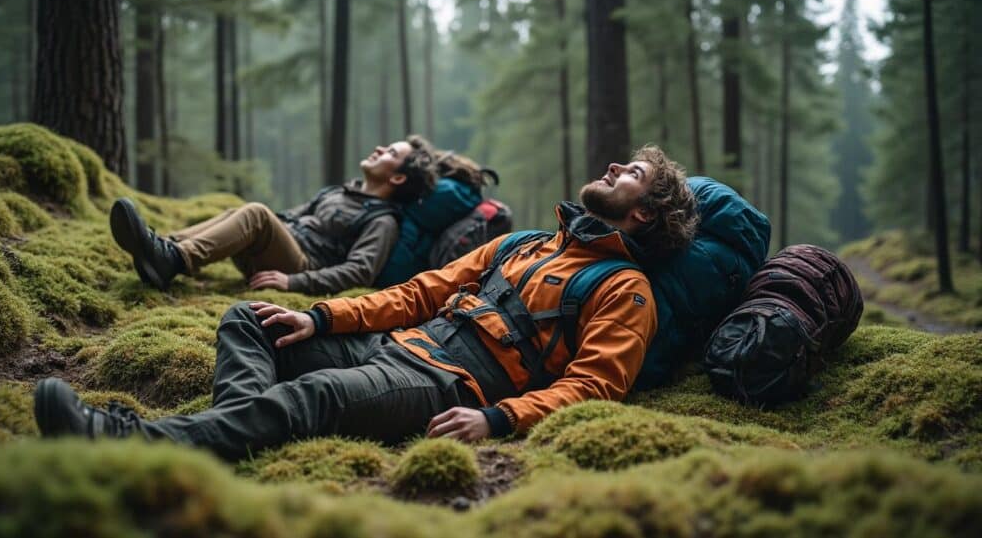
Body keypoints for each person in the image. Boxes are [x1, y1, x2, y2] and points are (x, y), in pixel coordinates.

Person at [34, 146, 698, 460]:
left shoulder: (624, 289)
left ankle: (124, 442)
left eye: (632, 173)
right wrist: (318, 316)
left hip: (447, 385)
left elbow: (595, 387)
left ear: (644, 212)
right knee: (249, 320)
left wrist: (496, 419)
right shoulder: (523, 243)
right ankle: (229, 437)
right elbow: (419, 292)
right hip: (393, 345)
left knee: (312, 396)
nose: (614, 167)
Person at [109, 136, 437, 293]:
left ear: (398, 178)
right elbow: (285, 219)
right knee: (239, 212)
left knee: (256, 214)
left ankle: (172, 259)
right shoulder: (338, 192)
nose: (379, 148)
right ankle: (163, 247)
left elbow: (359, 272)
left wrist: (294, 282)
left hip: (301, 265)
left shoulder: (383, 221)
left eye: (390, 152)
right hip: (275, 251)